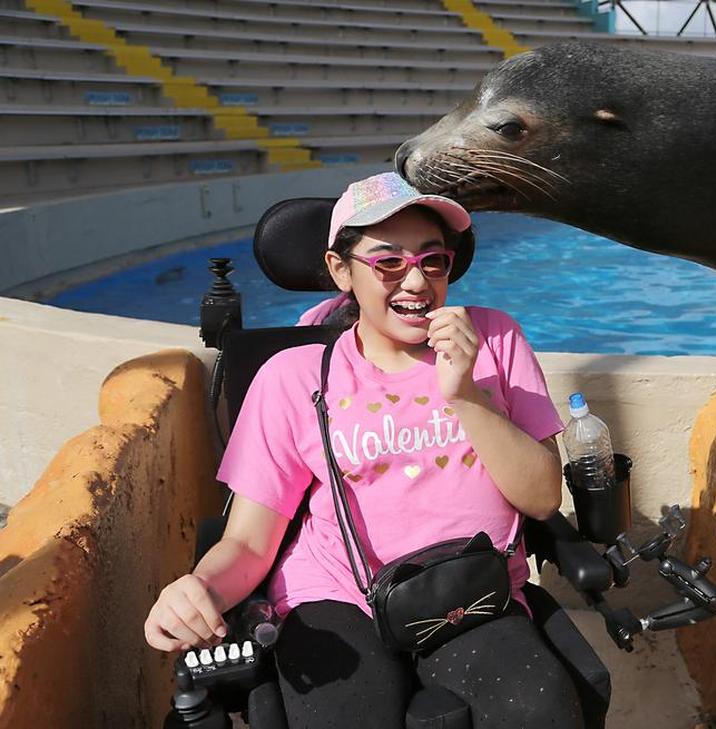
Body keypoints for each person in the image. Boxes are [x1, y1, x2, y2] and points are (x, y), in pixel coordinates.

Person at [144, 173, 585, 729]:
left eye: (433, 261)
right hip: (336, 594)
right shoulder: (294, 378)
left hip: (467, 589)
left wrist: (466, 396)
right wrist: (198, 590)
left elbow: (543, 499)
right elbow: (250, 540)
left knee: (541, 711)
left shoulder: (494, 342)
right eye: (389, 262)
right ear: (340, 270)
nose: (416, 281)